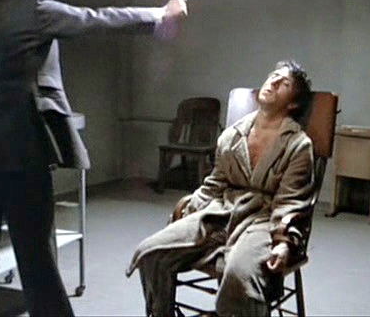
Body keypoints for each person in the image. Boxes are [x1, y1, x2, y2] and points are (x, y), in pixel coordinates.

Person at [0, 0, 188, 317]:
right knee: (36, 256)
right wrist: (160, 15)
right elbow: (95, 19)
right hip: (22, 153)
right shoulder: (35, 7)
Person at [127, 60, 313, 317]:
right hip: (221, 212)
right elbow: (214, 184)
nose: (273, 82)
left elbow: (290, 202)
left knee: (239, 277)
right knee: (151, 252)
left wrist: (284, 243)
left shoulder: (298, 145)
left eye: (285, 84)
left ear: (293, 103)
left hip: (264, 220)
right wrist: (185, 214)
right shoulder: (232, 135)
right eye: (273, 75)